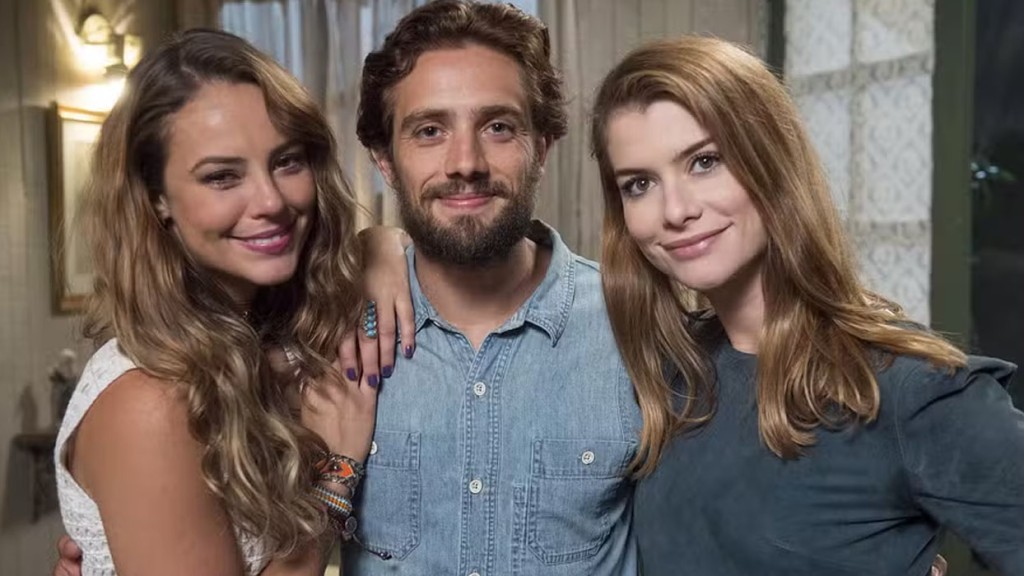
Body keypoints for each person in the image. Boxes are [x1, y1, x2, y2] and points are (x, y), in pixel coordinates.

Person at [590, 36, 1024, 575]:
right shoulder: (665, 379)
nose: (674, 210)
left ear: (771, 161)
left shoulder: (907, 391)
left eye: (705, 161)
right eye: (639, 184)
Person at [52, 29, 377, 575]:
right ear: (156, 198)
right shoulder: (149, 402)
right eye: (222, 177)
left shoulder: (271, 340)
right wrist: (336, 473)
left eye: (287, 161)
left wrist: (384, 248)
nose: (271, 201)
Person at [341, 1, 640, 574]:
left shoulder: (636, 324)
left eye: (498, 127)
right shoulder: (338, 327)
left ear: (542, 147)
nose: (466, 163)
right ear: (385, 161)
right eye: (430, 130)